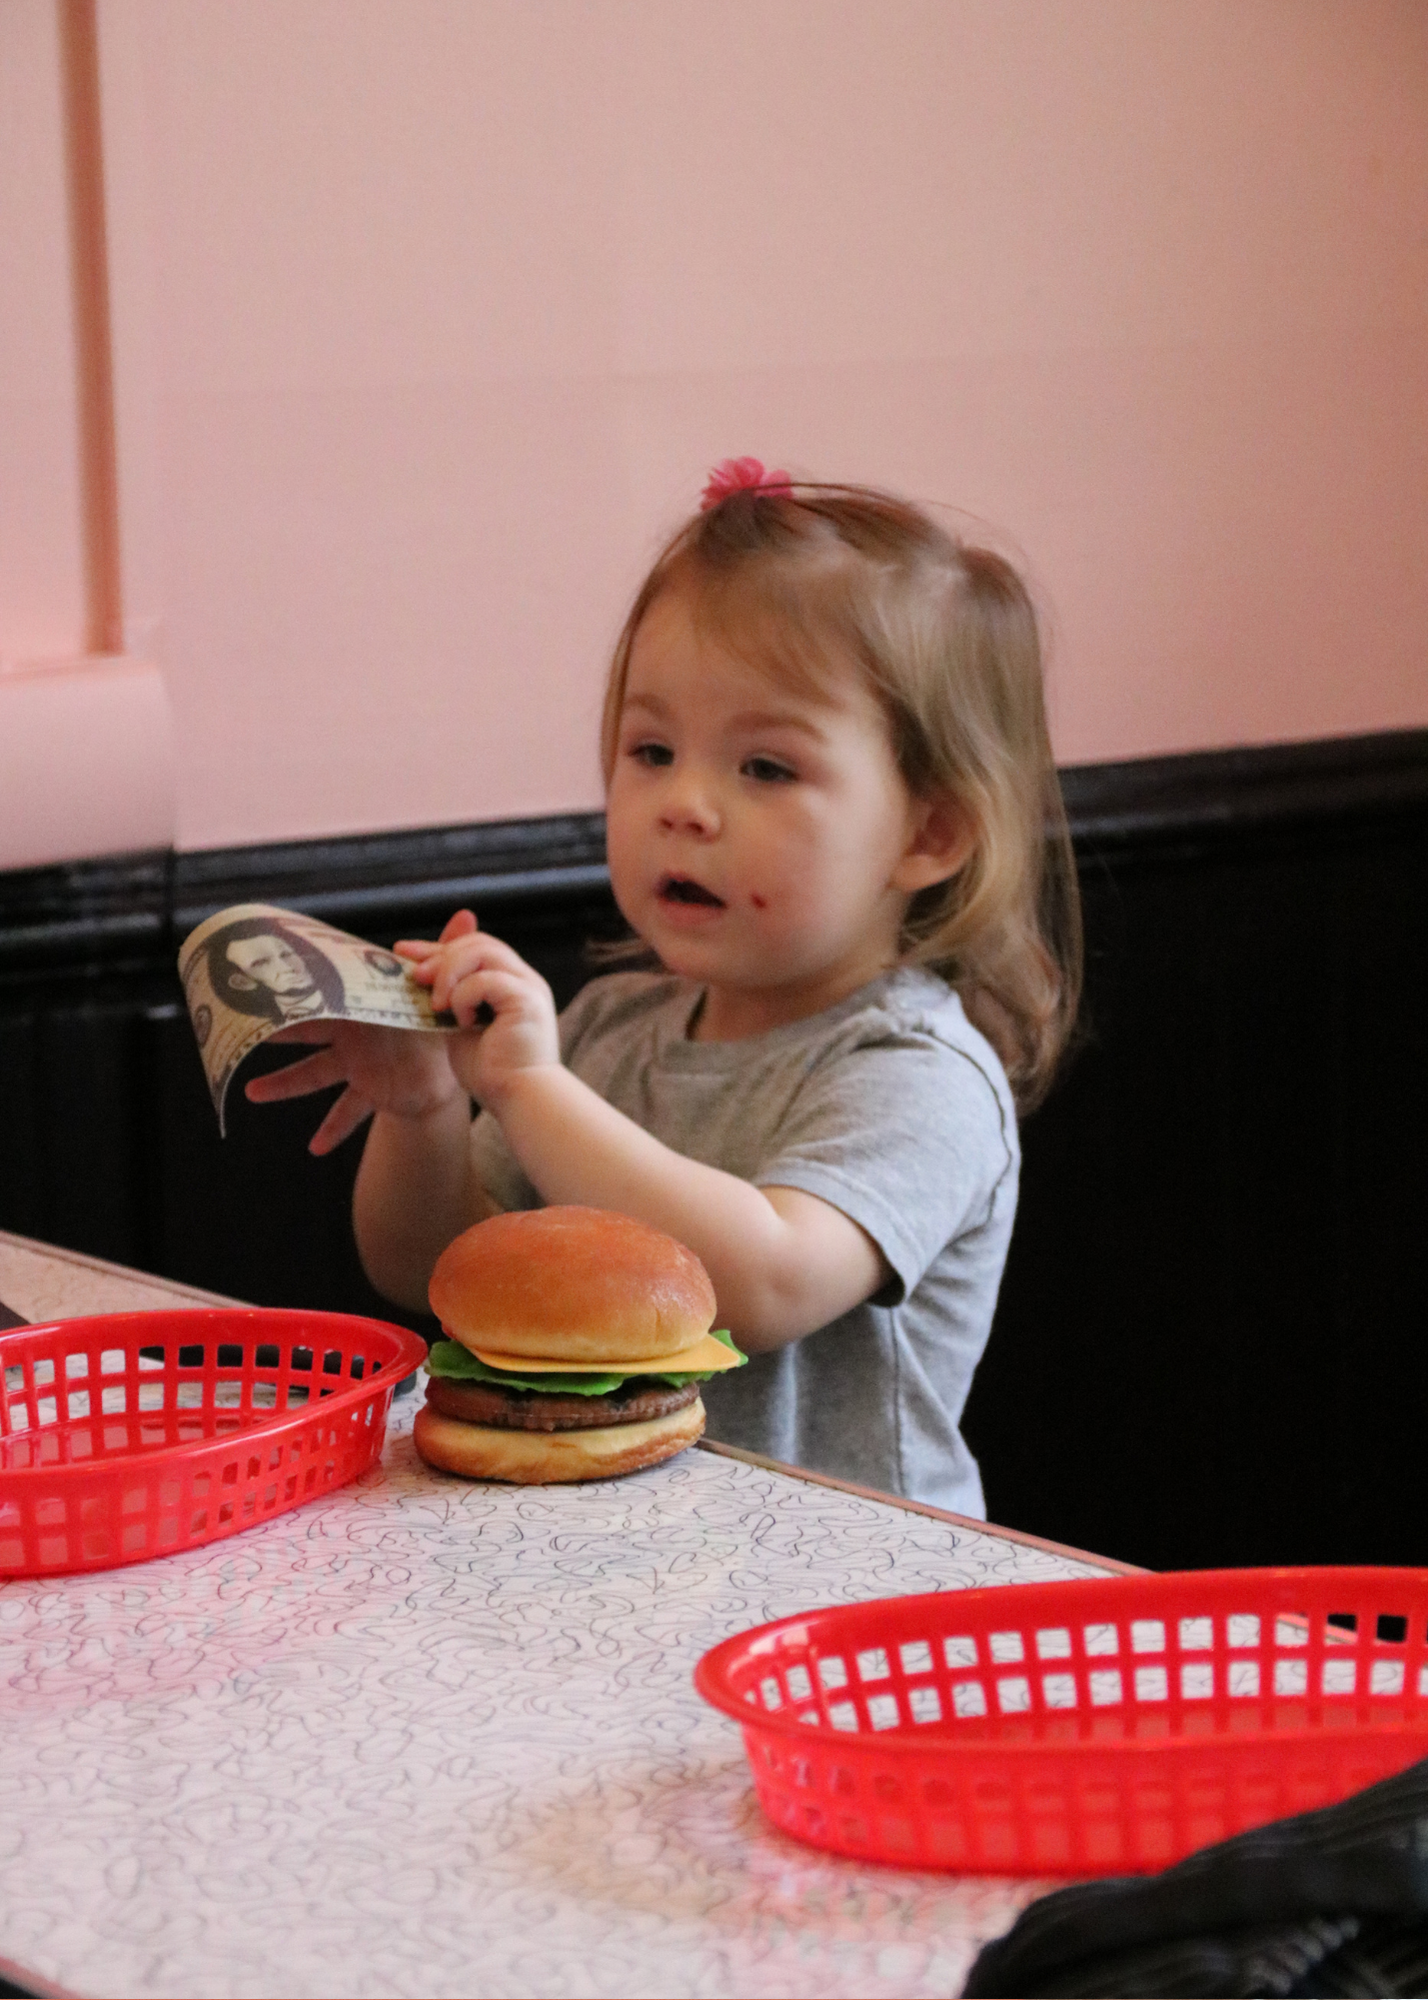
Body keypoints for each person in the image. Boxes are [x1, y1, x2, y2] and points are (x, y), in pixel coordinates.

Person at [247, 461, 1082, 1514]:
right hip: (624, 1568)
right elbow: (432, 1275)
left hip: (849, 1608)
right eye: (652, 748)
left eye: (766, 767)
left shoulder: (921, 1076)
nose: (684, 803)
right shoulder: (615, 1027)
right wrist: (427, 1111)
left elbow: (764, 1283)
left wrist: (530, 1089)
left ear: (929, 832)